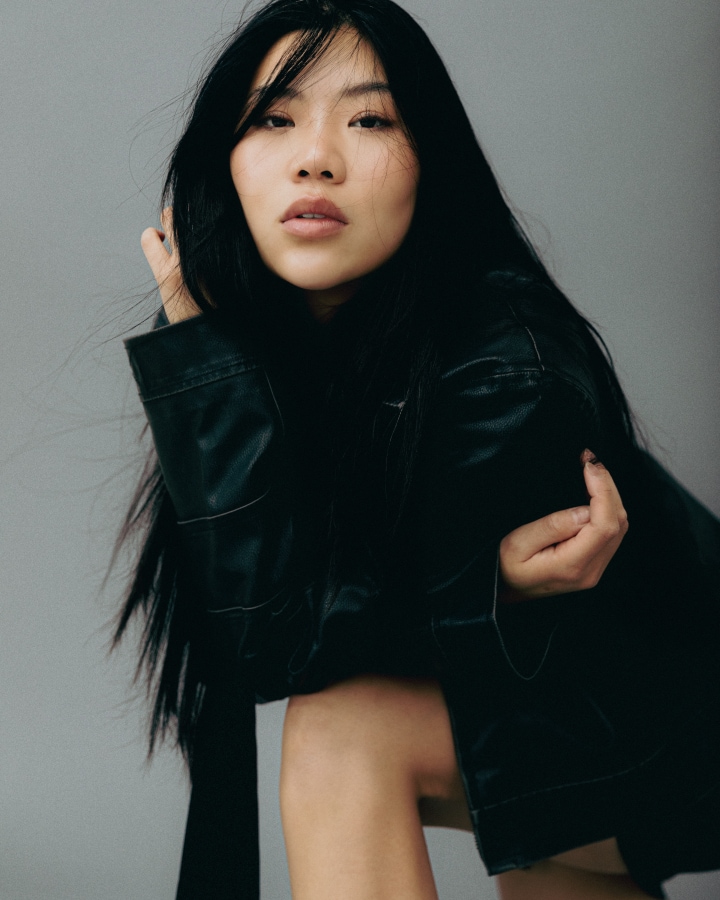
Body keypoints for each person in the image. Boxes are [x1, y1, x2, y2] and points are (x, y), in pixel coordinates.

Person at [114, 1, 720, 898]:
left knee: (343, 730)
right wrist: (488, 585)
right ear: (223, 167)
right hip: (574, 750)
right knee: (533, 835)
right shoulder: (311, 349)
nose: (316, 157)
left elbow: (283, 642)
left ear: (432, 164)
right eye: (273, 119)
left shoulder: (506, 374)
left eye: (369, 119)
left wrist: (205, 377)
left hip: (677, 739)